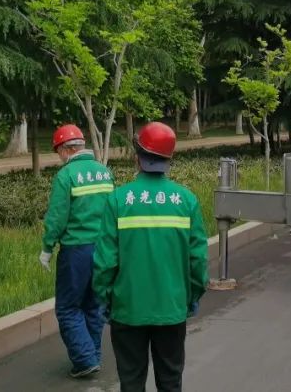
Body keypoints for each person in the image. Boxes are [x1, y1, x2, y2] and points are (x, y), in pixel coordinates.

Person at [93, 122, 208, 392]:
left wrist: (105, 298)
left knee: (131, 381)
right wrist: (191, 296)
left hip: (127, 309)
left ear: (137, 157)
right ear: (170, 158)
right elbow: (198, 261)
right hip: (171, 309)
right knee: (170, 380)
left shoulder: (119, 200)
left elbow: (104, 262)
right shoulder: (186, 201)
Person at [40, 123, 114, 379]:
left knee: (68, 308)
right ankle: (92, 355)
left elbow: (58, 217)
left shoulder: (66, 175)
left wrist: (47, 247)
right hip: (102, 248)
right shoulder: (104, 172)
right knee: (94, 305)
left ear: (64, 149)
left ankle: (84, 360)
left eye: (58, 151)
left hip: (76, 251)